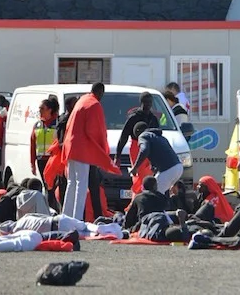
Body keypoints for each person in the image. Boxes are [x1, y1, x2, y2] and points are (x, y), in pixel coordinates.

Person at [61, 84, 120, 221]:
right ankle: (76, 220)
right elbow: (95, 130)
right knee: (81, 185)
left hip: (71, 147)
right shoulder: (94, 104)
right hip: (82, 150)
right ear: (100, 92)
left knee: (72, 183)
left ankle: (66, 217)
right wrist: (103, 150)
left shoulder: (82, 100)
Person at [116, 92, 160, 197]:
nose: (148, 104)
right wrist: (118, 156)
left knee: (149, 176)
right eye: (146, 102)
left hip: (151, 149)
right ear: (141, 102)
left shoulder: (153, 119)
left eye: (150, 102)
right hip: (136, 148)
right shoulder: (134, 118)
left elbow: (158, 137)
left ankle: (142, 198)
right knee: (140, 176)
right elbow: (124, 137)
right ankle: (137, 199)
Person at [128, 122, 183, 195]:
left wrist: (135, 167)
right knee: (158, 191)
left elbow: (144, 150)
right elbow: (165, 155)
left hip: (168, 169)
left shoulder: (143, 135)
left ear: (138, 132)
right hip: (178, 167)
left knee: (154, 194)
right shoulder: (160, 137)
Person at [31, 98, 59, 209]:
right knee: (47, 186)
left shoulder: (57, 124)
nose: (40, 111)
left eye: (42, 108)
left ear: (50, 110)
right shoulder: (37, 125)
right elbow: (33, 144)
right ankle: (49, 209)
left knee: (53, 187)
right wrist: (32, 163)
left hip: (53, 161)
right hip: (41, 160)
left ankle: (54, 208)